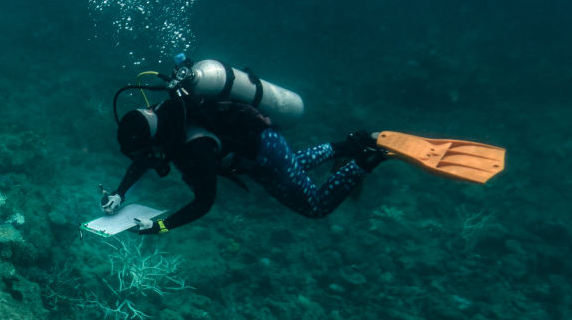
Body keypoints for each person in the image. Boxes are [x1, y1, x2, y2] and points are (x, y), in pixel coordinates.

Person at [102, 93, 388, 234]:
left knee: (314, 206)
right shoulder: (164, 119)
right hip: (259, 153)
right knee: (293, 166)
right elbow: (143, 160)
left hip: (264, 151)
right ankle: (348, 145)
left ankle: (367, 157)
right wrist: (119, 193)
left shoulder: (194, 145)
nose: (146, 159)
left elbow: (204, 202)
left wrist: (161, 226)